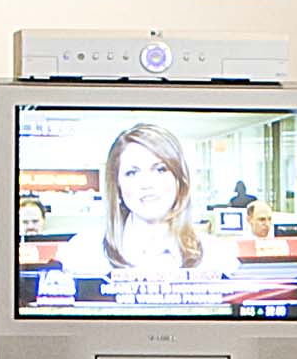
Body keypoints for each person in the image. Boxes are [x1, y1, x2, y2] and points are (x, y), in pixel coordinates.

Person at [67, 121, 209, 296]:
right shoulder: (82, 251)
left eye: (160, 169)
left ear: (179, 180)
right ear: (117, 186)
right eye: (132, 173)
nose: (147, 184)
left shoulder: (217, 256)